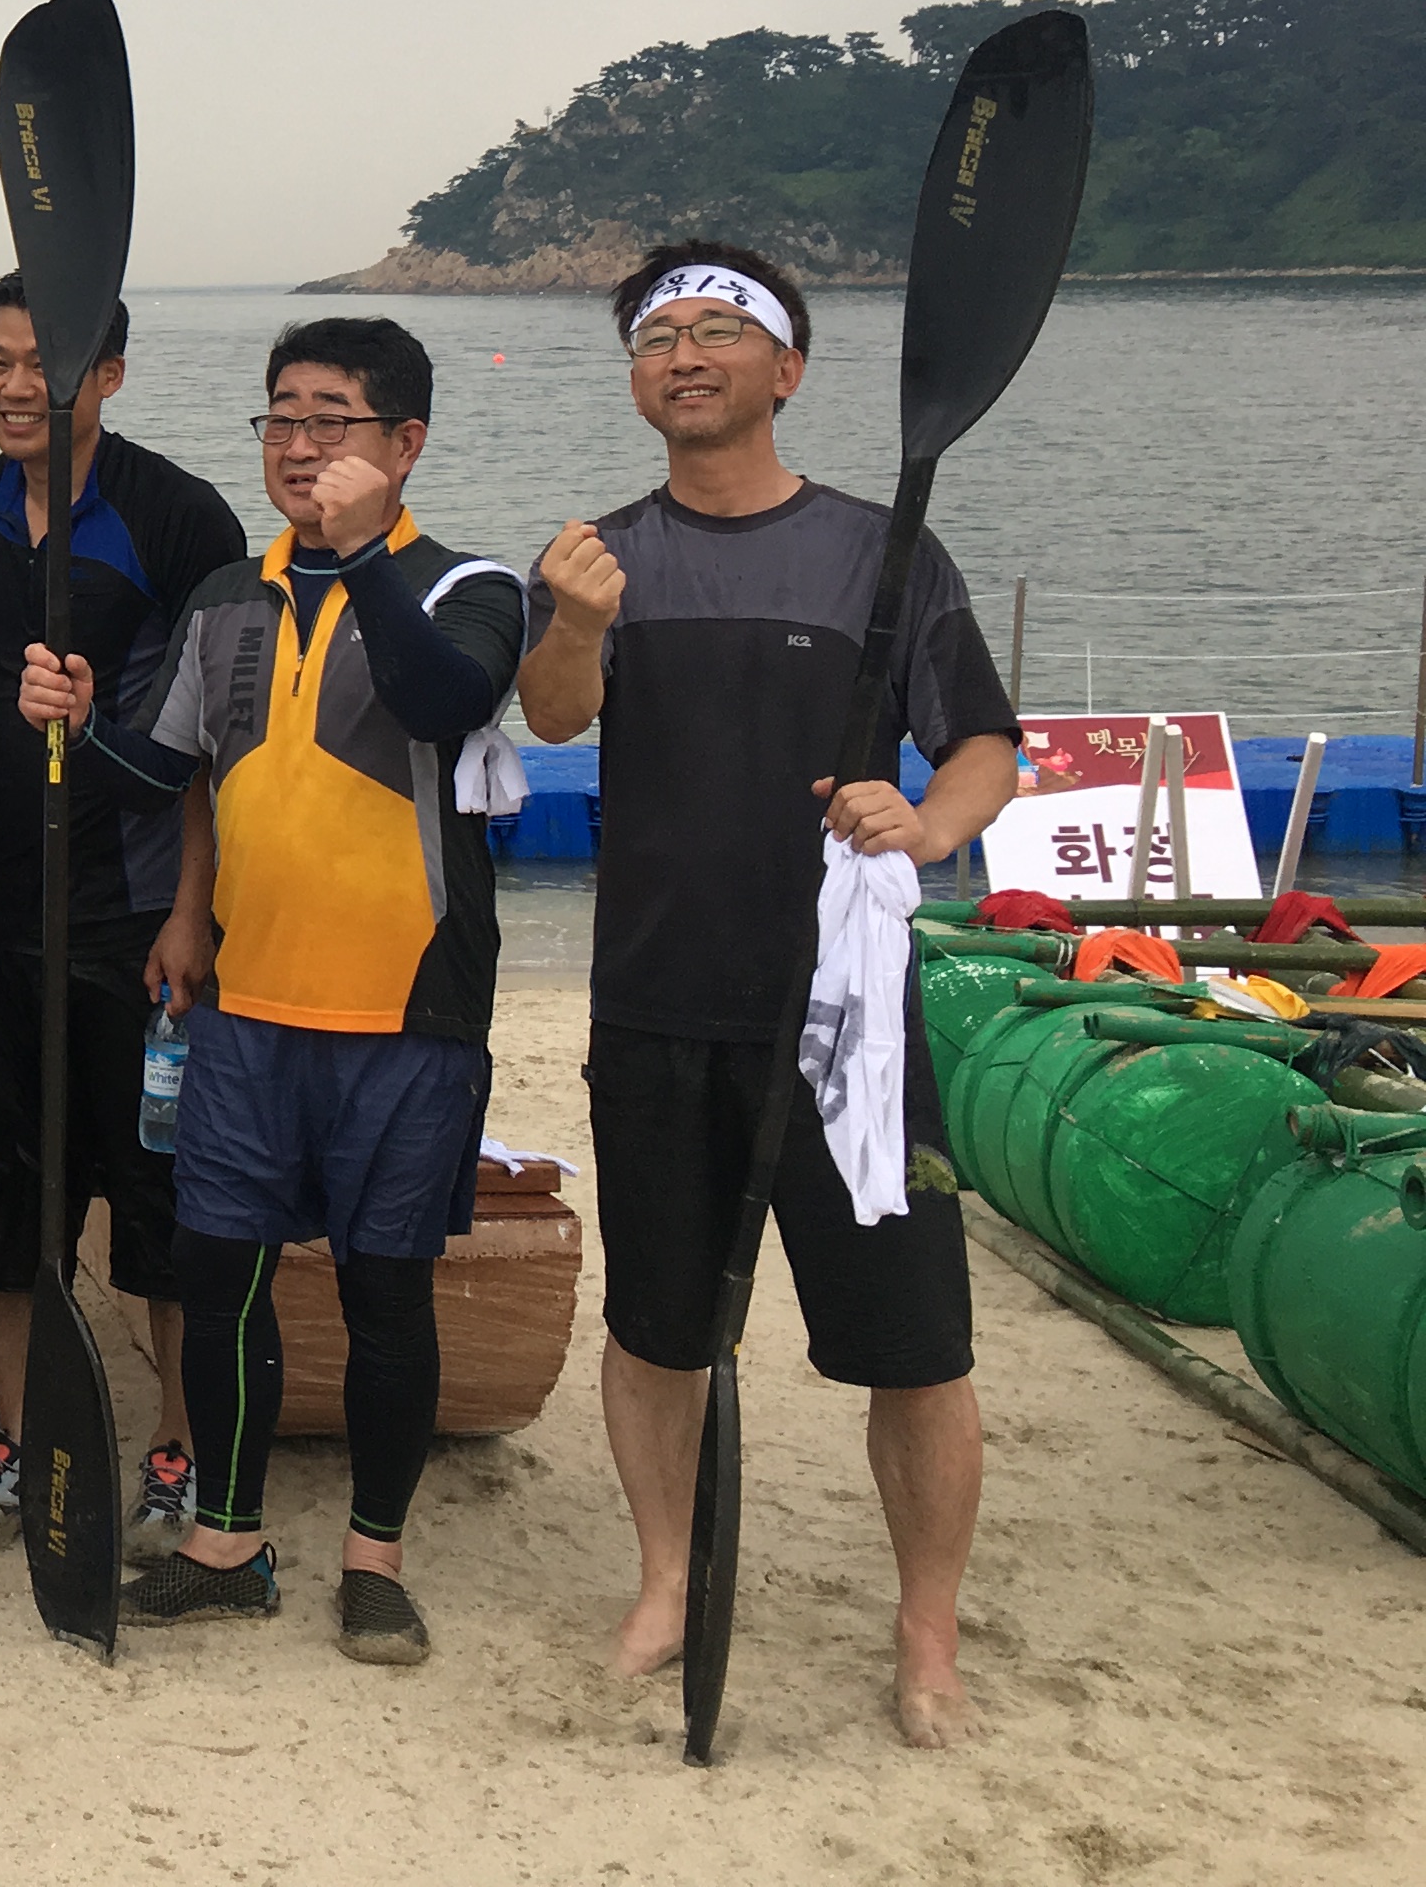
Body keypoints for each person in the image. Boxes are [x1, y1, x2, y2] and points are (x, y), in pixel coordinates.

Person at [515, 242, 1016, 1749]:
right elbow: (550, 722)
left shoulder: (885, 551)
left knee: (914, 1342)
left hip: (851, 1021)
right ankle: (667, 1580)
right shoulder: (598, 552)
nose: (684, 351)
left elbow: (987, 742)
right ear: (635, 379)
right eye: (657, 333)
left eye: (720, 329)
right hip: (660, 999)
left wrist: (927, 826)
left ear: (786, 370)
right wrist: (582, 623)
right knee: (660, 1326)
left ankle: (927, 1633)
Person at [30, 316, 523, 1666]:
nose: (299, 447)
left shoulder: (472, 586)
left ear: (405, 443)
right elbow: (176, 770)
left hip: (405, 1011)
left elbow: (445, 702)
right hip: (245, 1007)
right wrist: (81, 727)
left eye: (332, 421)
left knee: (385, 1294)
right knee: (223, 1277)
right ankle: (227, 1543)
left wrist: (361, 558)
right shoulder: (226, 600)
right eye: (279, 420)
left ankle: (375, 1555)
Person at [0, 277, 242, 1555]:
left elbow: (215, 745)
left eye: (46, 365)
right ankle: (23, 1451)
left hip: (137, 922)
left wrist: (192, 914)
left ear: (113, 377)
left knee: (160, 1215)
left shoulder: (176, 516)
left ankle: (182, 1453)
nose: (17, 386)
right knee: (5, 1205)